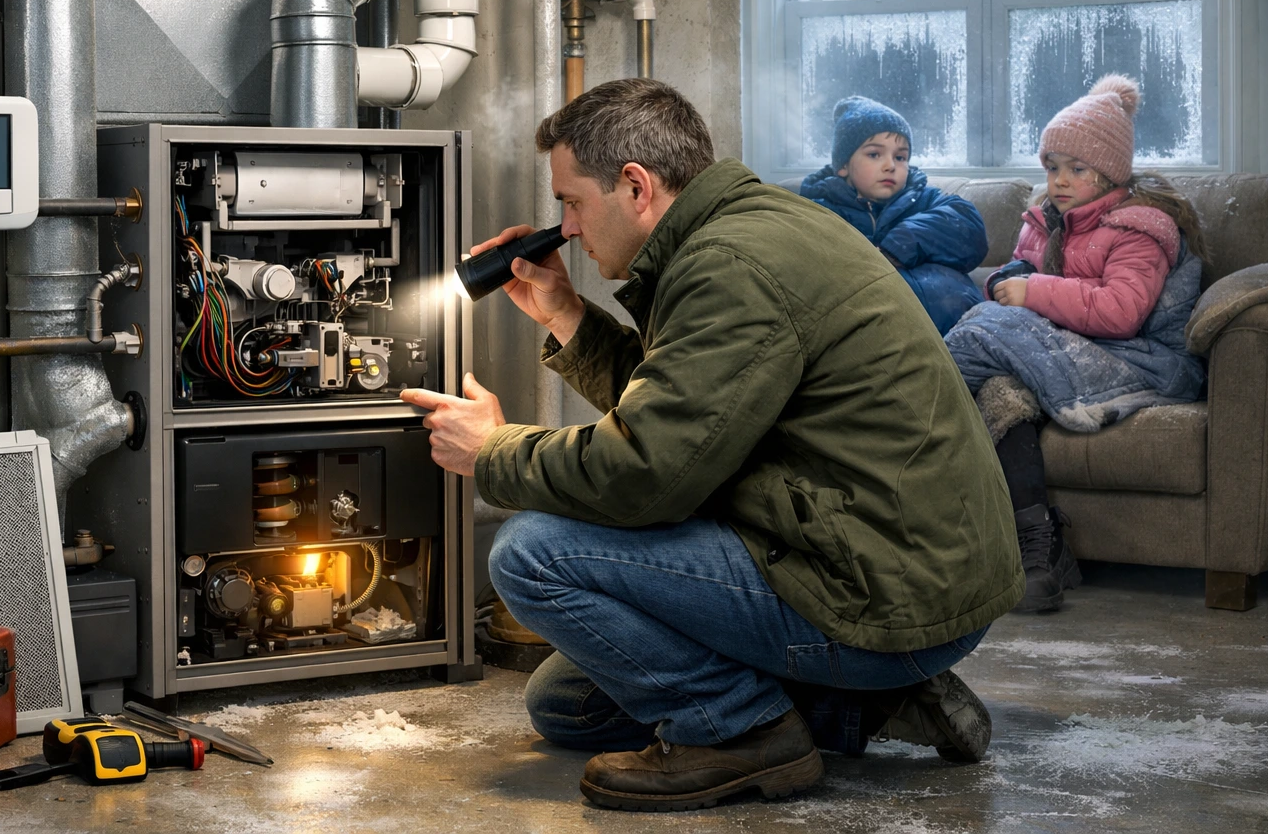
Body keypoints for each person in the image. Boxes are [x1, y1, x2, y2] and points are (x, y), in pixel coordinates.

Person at [399, 78, 1022, 812]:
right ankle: (864, 702)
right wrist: (567, 314)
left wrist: (496, 450)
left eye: (571, 201)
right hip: (891, 560)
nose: (565, 227)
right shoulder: (741, 230)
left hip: (879, 585)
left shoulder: (730, 267)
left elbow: (647, 474)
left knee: (532, 553)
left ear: (635, 185)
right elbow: (696, 414)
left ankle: (743, 735)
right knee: (567, 705)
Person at [944, 75, 1207, 613]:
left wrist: (1031, 290)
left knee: (975, 335)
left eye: (1077, 169)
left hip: (1140, 358)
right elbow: (1028, 271)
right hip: (1067, 342)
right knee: (1000, 390)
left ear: (1110, 172)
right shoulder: (1046, 222)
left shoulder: (1139, 229)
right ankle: (1038, 551)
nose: (1059, 180)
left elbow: (1121, 311)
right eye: (1052, 166)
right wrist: (1008, 279)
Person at [800, 96, 987, 335]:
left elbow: (970, 228)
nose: (890, 165)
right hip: (874, 342)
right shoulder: (816, 213)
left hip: (954, 338)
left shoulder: (925, 200)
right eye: (874, 155)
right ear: (843, 165)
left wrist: (900, 244)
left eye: (900, 157)